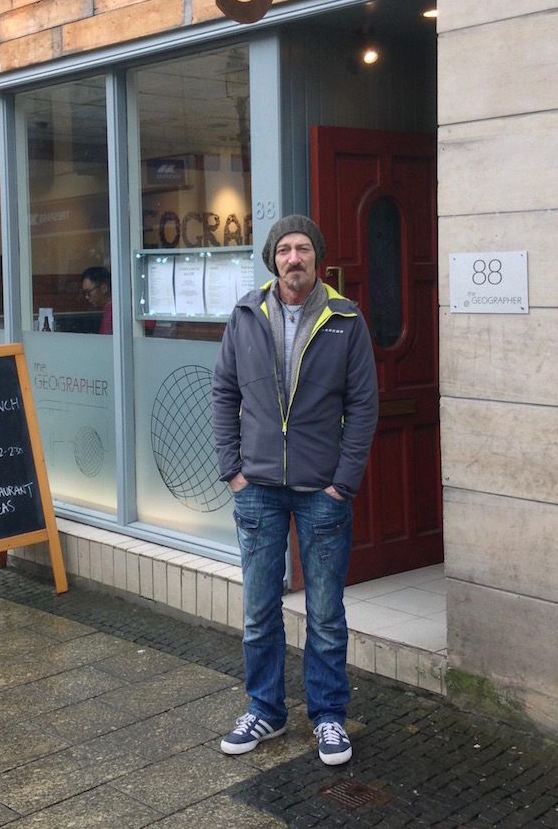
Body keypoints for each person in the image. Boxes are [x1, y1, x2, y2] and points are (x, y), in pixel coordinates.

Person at [212, 214, 378, 766]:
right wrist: (232, 470)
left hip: (321, 490)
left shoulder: (345, 319)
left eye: (303, 248)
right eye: (284, 249)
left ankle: (328, 715)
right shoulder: (246, 315)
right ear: (272, 259)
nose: (293, 258)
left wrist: (342, 484)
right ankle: (265, 710)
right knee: (259, 611)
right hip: (256, 486)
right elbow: (223, 392)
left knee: (325, 614)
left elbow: (363, 406)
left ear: (317, 258)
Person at [80, 266, 112, 334]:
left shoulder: (110, 315)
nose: (86, 297)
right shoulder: (111, 311)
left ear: (103, 288)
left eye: (88, 292)